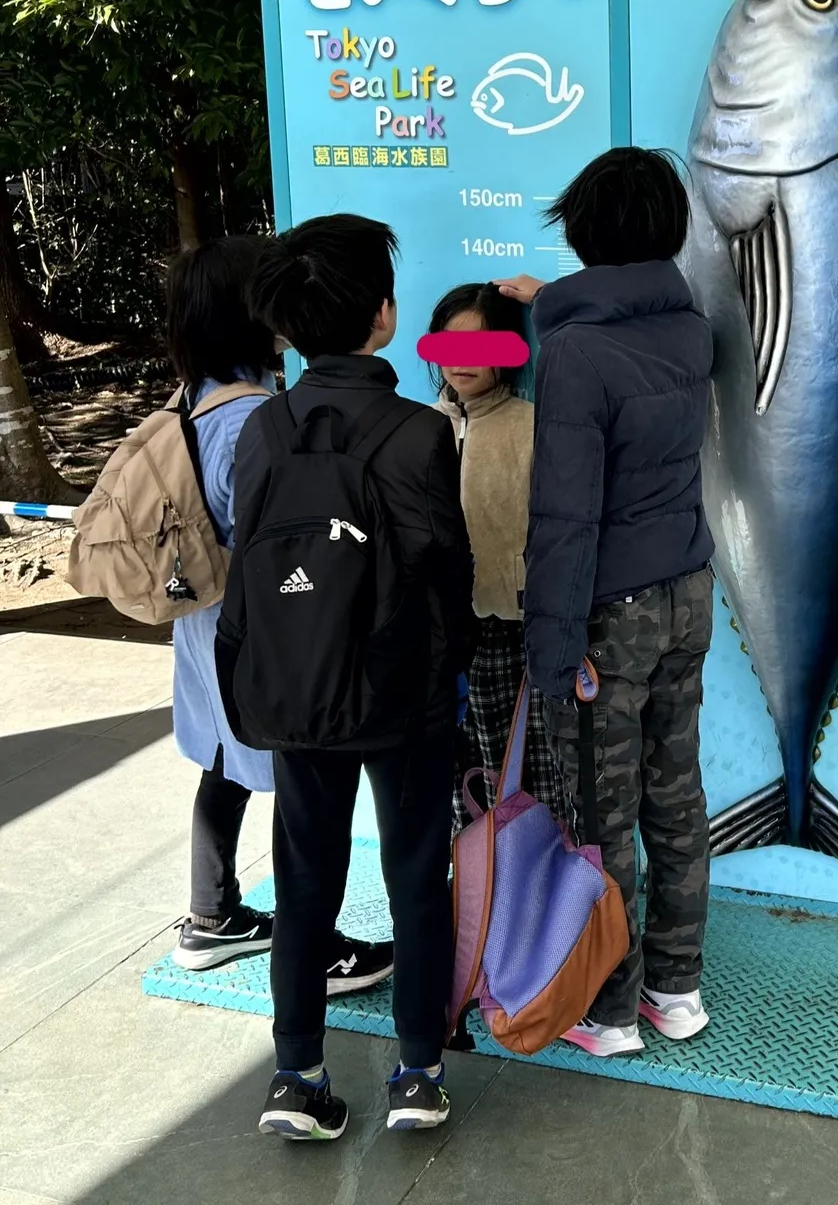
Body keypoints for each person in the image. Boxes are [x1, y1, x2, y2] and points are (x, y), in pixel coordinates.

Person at [227, 215, 473, 1138]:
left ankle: (296, 1077)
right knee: (416, 873)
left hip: (291, 690)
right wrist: (448, 679)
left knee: (304, 879)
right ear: (383, 315)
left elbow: (248, 553)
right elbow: (447, 575)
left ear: (289, 327)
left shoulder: (262, 432)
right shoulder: (418, 433)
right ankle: (416, 1074)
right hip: (401, 695)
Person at [497, 146, 715, 1058]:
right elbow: (619, 325)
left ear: (585, 233)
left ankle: (610, 1009)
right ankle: (676, 988)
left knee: (601, 809)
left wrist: (551, 653)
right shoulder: (693, 329)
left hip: (608, 611)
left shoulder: (576, 354)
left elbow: (565, 516)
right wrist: (550, 302)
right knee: (676, 797)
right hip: (688, 592)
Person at [167, 237, 391, 998]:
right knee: (295, 781)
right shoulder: (255, 417)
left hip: (203, 617)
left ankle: (213, 914)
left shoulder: (197, 398)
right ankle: (315, 946)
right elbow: (269, 532)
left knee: (224, 761)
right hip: (261, 621)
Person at [428, 282, 565, 830]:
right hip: (436, 634)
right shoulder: (421, 427)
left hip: (507, 629)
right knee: (455, 778)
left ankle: (540, 895)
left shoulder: (532, 428)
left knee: (524, 776)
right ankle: (477, 895)